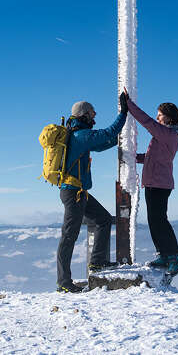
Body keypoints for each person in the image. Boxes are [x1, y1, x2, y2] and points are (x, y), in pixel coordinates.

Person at [56, 94, 128, 293]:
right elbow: (107, 133)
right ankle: (63, 282)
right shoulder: (81, 136)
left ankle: (97, 262)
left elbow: (103, 143)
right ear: (84, 114)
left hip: (78, 193)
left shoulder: (79, 135)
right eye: (92, 113)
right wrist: (124, 113)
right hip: (74, 195)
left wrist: (120, 139)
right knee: (68, 237)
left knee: (103, 219)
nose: (95, 116)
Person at [123, 88, 178, 277]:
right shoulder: (166, 135)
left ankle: (174, 257)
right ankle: (164, 255)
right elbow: (151, 157)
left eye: (160, 116)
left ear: (169, 118)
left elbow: (146, 122)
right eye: (158, 116)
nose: (157, 119)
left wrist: (129, 105)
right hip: (154, 183)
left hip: (159, 184)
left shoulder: (167, 134)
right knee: (154, 221)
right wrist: (133, 157)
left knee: (160, 221)